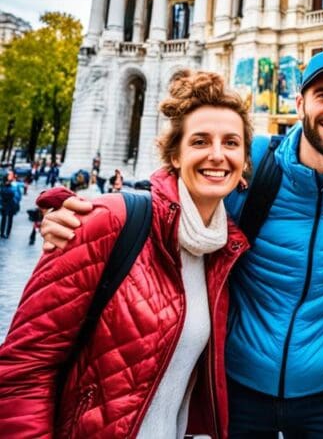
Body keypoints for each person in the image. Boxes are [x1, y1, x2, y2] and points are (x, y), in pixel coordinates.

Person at [40, 48, 323, 438]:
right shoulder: (255, 159)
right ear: (300, 103)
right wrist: (87, 219)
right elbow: (177, 193)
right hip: (242, 383)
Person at [0, 70, 251, 437]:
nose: (217, 155)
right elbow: (25, 368)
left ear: (245, 162)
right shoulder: (108, 220)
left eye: (231, 143)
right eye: (200, 141)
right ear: (175, 157)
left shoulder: (222, 252)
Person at [0, 173, 20, 239]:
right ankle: (2, 232)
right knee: (4, 219)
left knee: (10, 219)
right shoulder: (3, 186)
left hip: (11, 204)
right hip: (5, 204)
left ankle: (7, 233)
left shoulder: (14, 185)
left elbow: (17, 195)